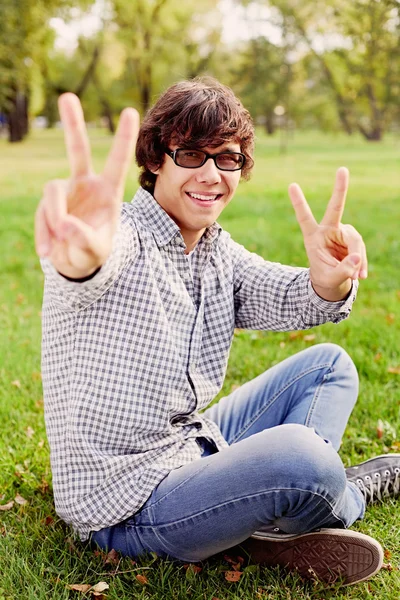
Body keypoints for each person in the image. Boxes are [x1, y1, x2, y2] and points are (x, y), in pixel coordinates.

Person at [35, 77, 399, 587]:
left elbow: (292, 297)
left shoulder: (215, 251)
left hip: (189, 446)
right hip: (130, 504)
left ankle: (273, 512)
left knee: (328, 366)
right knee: (303, 454)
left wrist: (326, 282)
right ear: (157, 160)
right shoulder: (120, 240)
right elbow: (87, 269)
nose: (210, 174)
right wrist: (80, 260)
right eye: (191, 154)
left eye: (226, 158)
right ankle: (340, 494)